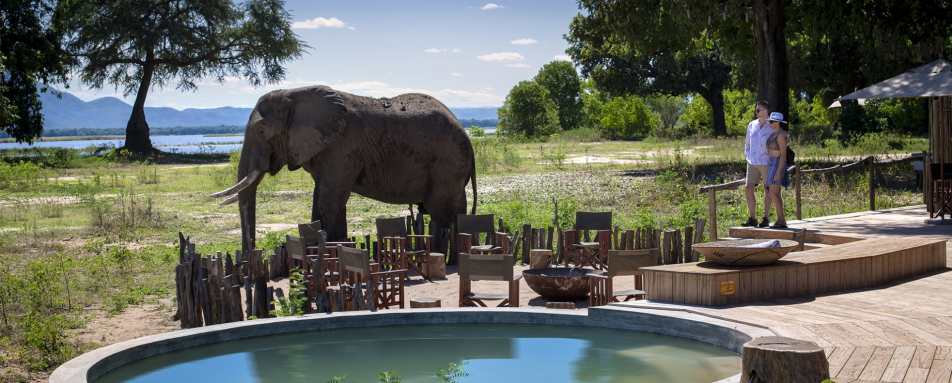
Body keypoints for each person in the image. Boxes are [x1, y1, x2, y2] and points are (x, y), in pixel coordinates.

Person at [743, 100, 772, 227]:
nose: (756, 112)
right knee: (748, 188)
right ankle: (752, 218)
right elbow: (747, 143)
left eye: (759, 110)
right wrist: (747, 156)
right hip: (752, 162)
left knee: (767, 189)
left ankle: (766, 218)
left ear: (766, 111)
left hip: (766, 162)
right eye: (756, 109)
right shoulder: (751, 124)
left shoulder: (772, 125)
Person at [765, 112, 790, 228]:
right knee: (775, 193)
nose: (771, 123)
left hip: (777, 163)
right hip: (771, 163)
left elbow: (783, 156)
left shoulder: (780, 135)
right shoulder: (774, 133)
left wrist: (779, 172)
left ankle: (781, 220)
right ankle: (780, 219)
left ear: (778, 122)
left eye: (773, 121)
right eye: (770, 121)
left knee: (773, 192)